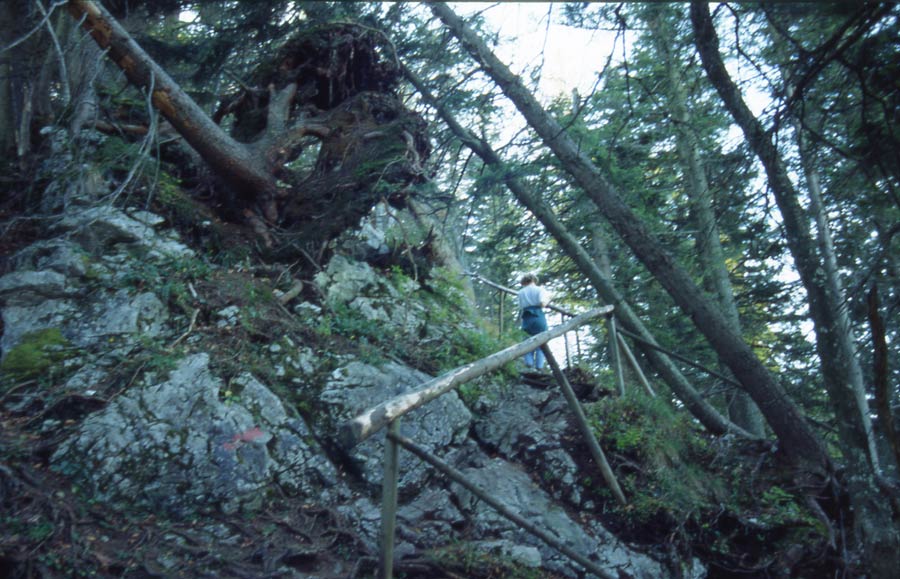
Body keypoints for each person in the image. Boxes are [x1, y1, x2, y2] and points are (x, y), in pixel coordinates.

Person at [517, 273, 551, 370]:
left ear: (524, 282)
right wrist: (548, 299)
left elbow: (521, 306)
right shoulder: (540, 290)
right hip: (538, 316)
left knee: (527, 341)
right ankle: (539, 366)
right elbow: (542, 303)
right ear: (534, 280)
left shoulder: (521, 292)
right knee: (541, 342)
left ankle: (529, 362)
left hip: (526, 317)